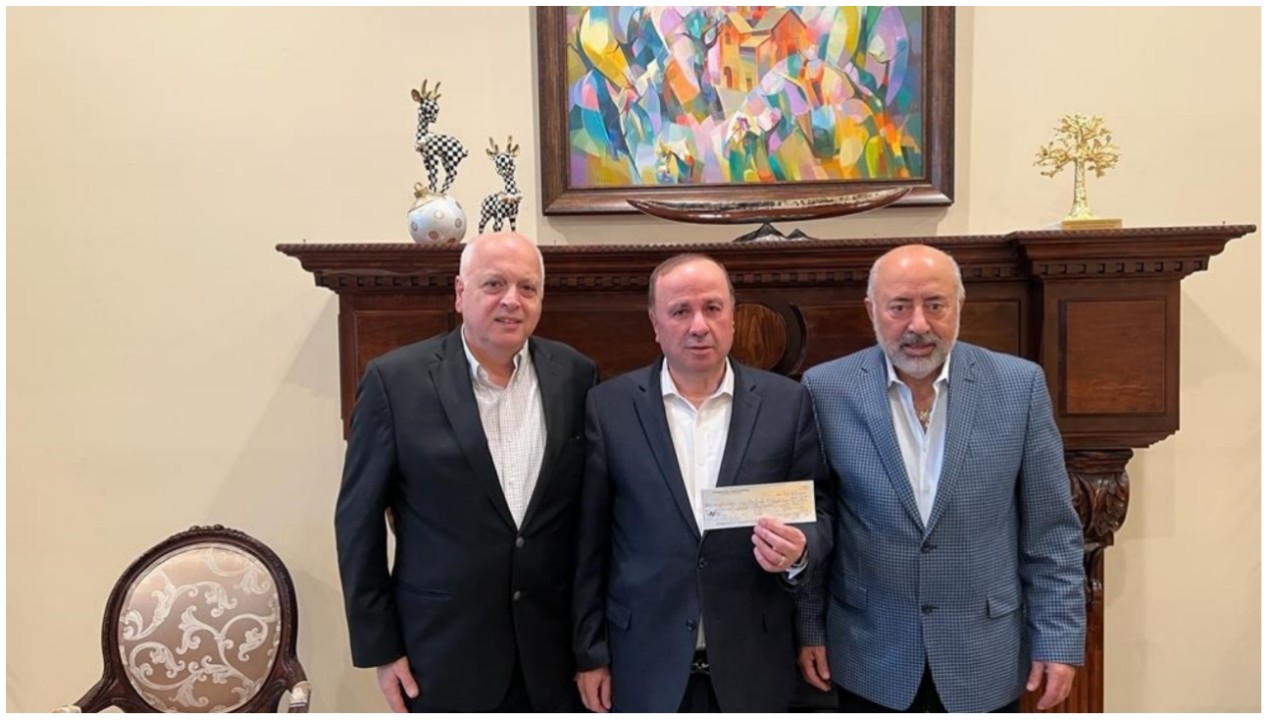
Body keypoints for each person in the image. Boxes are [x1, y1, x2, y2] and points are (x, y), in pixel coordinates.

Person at [796, 244, 1085, 712]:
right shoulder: (825, 389)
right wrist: (809, 627)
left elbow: (1051, 531)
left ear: (959, 306)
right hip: (868, 654)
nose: (918, 325)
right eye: (899, 307)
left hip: (986, 655)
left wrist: (1057, 639)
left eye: (935, 305)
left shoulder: (1020, 387)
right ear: (871, 311)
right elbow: (816, 518)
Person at [334, 231, 598, 712]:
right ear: (460, 293)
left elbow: (589, 519)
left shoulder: (577, 375)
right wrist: (381, 647)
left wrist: (593, 647)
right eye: (494, 284)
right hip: (441, 653)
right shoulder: (395, 381)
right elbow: (358, 522)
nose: (511, 301)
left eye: (527, 288)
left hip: (554, 653)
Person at [574, 253, 832, 712]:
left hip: (755, 660)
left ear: (733, 316)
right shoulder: (608, 407)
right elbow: (590, 543)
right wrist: (590, 653)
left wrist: (800, 549)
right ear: (655, 324)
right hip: (642, 662)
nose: (699, 326)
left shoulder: (787, 403)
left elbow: (820, 510)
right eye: (680, 311)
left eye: (713, 308)